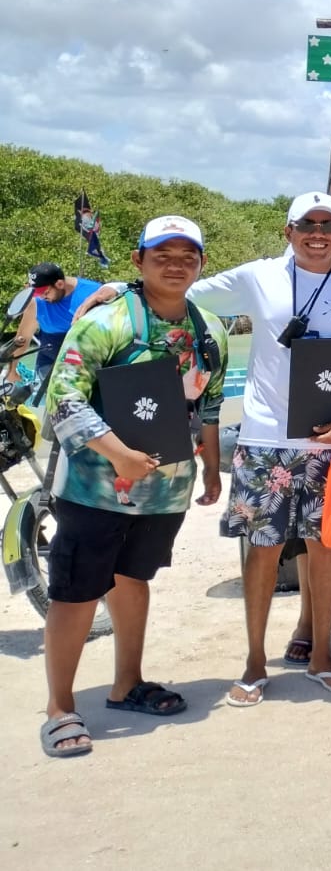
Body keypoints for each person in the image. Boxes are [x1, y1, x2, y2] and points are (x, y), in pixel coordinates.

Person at [196, 193, 331, 704]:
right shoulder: (257, 277)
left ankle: (321, 655)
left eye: (328, 225)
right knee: (261, 553)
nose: (317, 233)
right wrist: (116, 289)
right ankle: (254, 662)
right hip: (265, 439)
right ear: (288, 231)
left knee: (328, 549)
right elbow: (187, 293)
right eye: (307, 224)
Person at [38, 216, 226, 757]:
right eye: (162, 255)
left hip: (165, 490)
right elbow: (63, 397)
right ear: (138, 260)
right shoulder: (106, 321)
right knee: (76, 591)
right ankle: (59, 707)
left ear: (201, 264)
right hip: (95, 488)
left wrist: (212, 469)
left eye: (187, 256)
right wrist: (119, 454)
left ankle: (127, 684)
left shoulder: (209, 328)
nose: (175, 265)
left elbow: (211, 404)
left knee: (133, 578)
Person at [8, 262, 102, 401]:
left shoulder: (93, 293)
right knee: (60, 401)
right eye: (36, 293)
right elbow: (23, 338)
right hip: (50, 359)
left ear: (59, 284)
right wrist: (12, 369)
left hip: (87, 357)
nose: (41, 297)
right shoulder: (35, 302)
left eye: (45, 293)